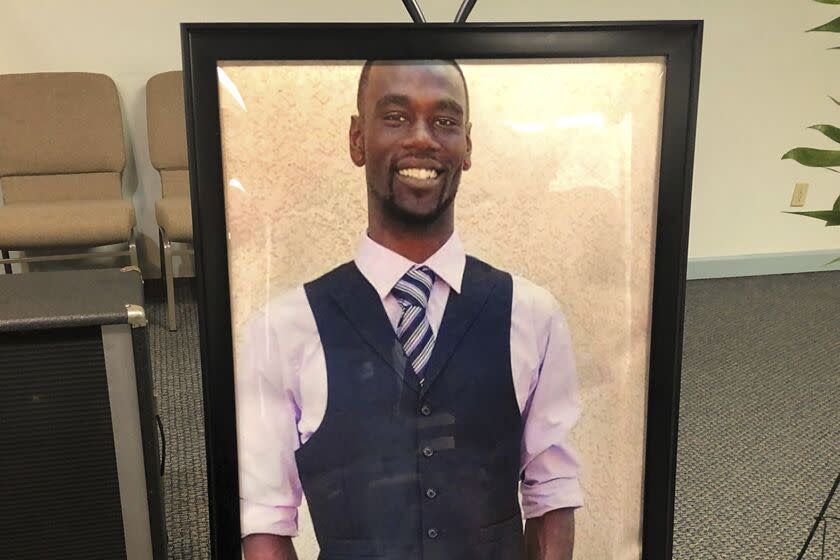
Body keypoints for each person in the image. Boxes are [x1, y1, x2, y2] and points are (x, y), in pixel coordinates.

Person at [238, 59, 583, 560]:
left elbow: (552, 496)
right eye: (395, 117)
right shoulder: (281, 331)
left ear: (467, 146)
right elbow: (264, 523)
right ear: (358, 139)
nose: (422, 138)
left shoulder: (535, 316)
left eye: (445, 122)